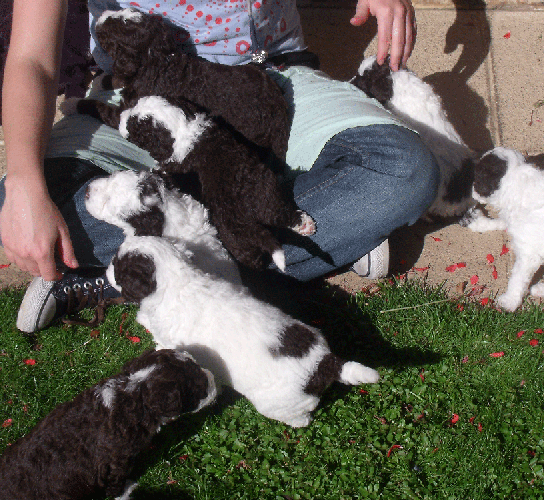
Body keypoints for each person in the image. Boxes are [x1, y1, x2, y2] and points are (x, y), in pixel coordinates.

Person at [0, 0, 440, 332]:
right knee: (39, 203)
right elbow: (31, 58)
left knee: (399, 171)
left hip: (274, 83)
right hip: (139, 96)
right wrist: (24, 185)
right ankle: (320, 234)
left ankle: (126, 277)